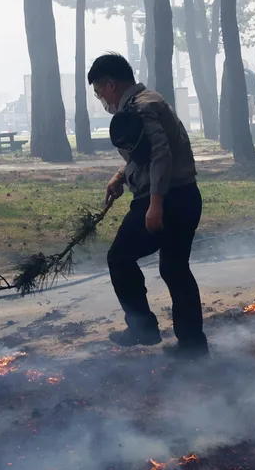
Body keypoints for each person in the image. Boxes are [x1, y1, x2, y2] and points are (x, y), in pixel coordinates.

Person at [88, 52, 208, 356]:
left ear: (111, 85)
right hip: (185, 196)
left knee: (119, 258)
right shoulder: (149, 100)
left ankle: (142, 327)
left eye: (99, 91)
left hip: (166, 200)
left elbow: (160, 157)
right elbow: (145, 153)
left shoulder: (140, 109)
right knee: (175, 268)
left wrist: (155, 206)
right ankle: (193, 347)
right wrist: (120, 176)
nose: (101, 99)